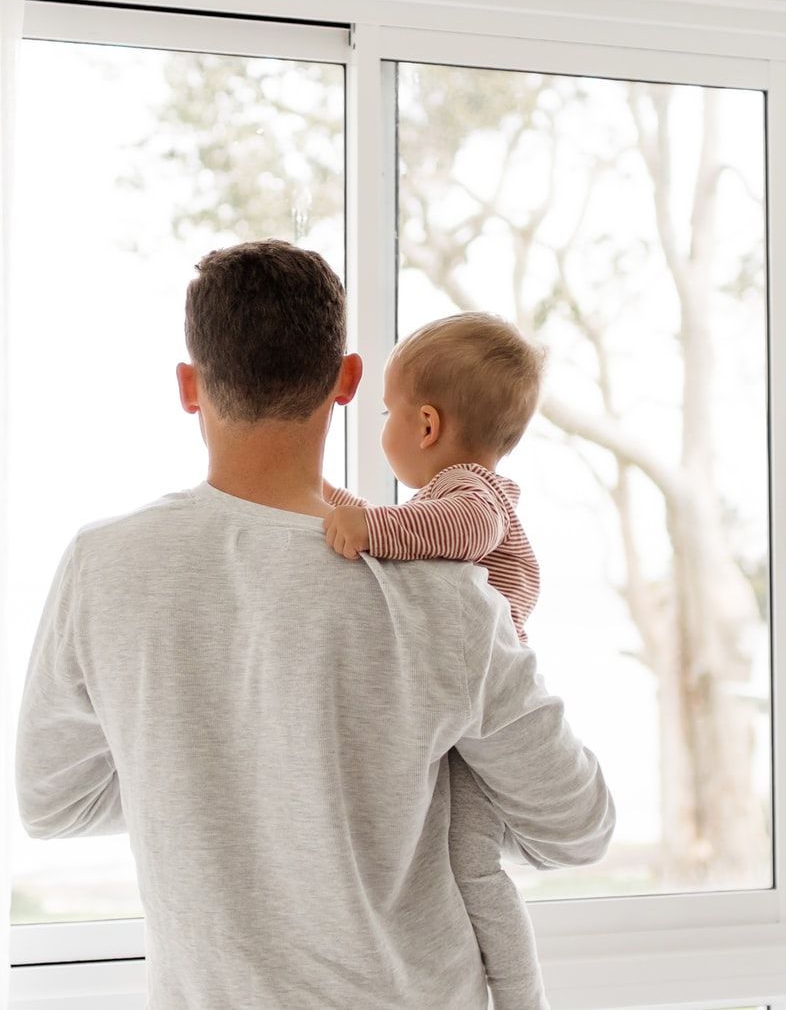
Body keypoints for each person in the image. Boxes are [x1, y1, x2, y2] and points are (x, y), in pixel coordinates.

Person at [15, 240, 615, 1010]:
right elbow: (578, 825)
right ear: (347, 380)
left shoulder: (102, 566)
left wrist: (212, 783)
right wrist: (367, 793)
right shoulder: (447, 596)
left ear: (189, 387)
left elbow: (53, 802)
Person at [322, 311, 551, 1009]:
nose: (382, 424)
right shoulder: (446, 496)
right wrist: (326, 499)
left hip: (483, 713)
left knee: (474, 868)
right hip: (460, 713)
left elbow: (455, 531)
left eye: (387, 410)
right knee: (453, 859)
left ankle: (521, 997)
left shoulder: (470, 496)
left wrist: (368, 525)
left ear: (425, 426)